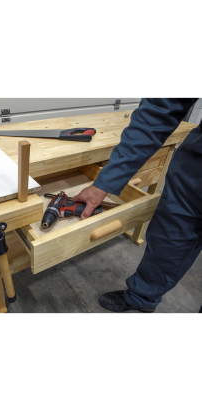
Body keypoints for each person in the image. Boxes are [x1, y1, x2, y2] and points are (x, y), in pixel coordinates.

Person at [72, 97, 201, 314]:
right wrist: (104, 184)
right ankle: (142, 297)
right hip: (196, 169)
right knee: (168, 242)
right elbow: (159, 110)